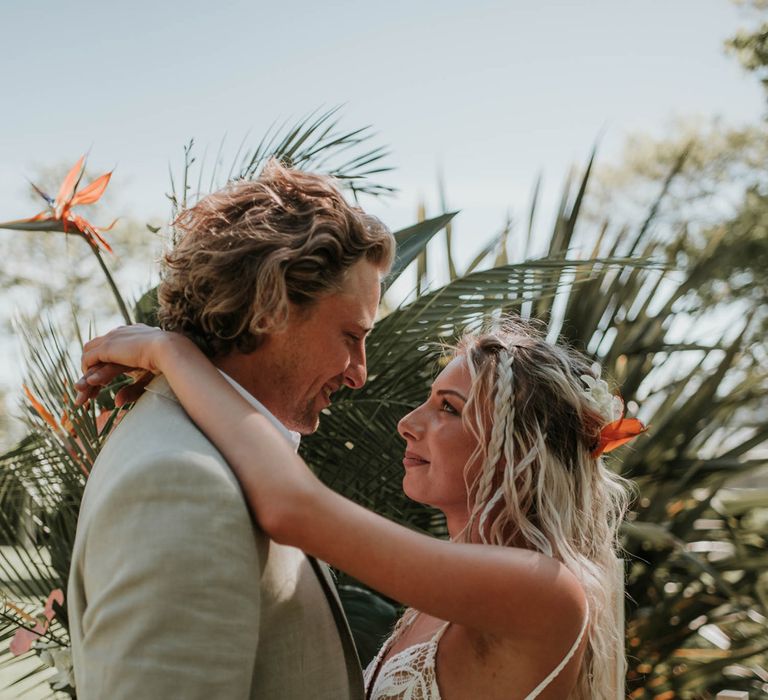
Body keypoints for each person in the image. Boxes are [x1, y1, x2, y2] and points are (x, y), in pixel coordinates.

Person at [76, 317, 639, 699]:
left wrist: (171, 353)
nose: (408, 422)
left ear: (519, 450)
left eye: (447, 408)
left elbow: (293, 508)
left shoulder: (545, 591)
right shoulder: (449, 588)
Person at [66, 160, 395, 699]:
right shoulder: (182, 483)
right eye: (350, 335)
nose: (360, 372)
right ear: (272, 309)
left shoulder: (208, 449)